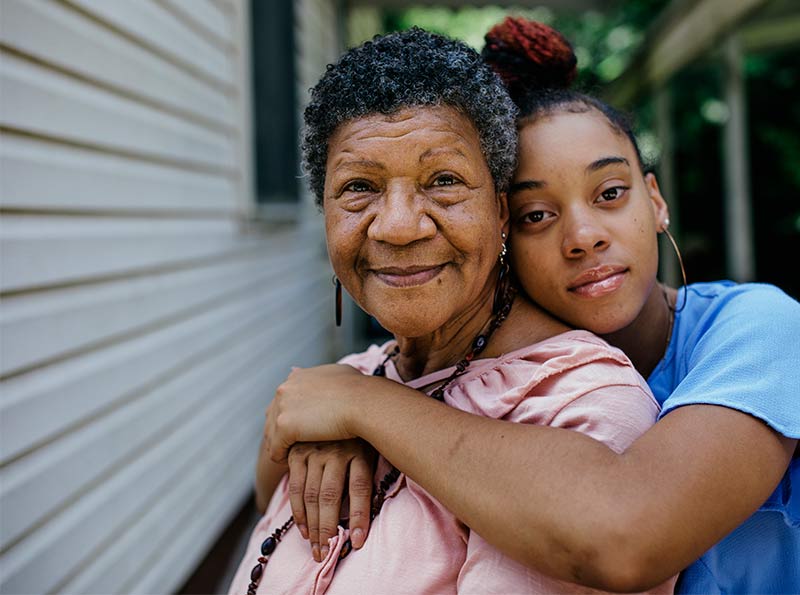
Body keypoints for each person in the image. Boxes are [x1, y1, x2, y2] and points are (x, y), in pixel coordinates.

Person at [260, 17, 800, 595]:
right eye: (535, 215)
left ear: (656, 200)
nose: (584, 236)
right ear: (502, 232)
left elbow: (628, 532)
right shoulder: (486, 376)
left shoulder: (760, 328)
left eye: (610, 193)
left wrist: (362, 403)